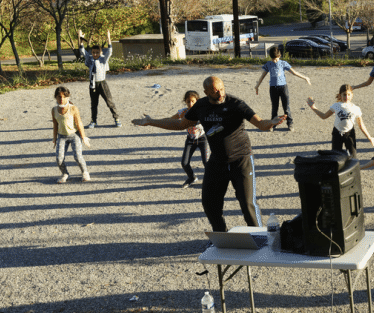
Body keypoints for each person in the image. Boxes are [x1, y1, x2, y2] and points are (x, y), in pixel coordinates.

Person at [132, 75, 285, 231]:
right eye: (214, 91)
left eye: (222, 89)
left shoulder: (236, 104)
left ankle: (259, 236)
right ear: (206, 92)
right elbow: (180, 124)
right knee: (209, 202)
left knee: (247, 204)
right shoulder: (200, 106)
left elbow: (259, 123)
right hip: (217, 161)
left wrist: (270, 123)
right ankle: (221, 234)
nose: (220, 94)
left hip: (241, 160)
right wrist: (152, 121)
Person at [306, 84, 374, 158]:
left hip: (350, 134)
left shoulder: (356, 109)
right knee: (336, 157)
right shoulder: (336, 105)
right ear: (340, 95)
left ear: (352, 95)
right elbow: (324, 116)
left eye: (348, 94)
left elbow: (361, 125)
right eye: (344, 94)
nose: (346, 97)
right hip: (337, 133)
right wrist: (313, 107)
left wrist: (369, 137)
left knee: (353, 157)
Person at [254, 45, 311, 131]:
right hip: (273, 88)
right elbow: (263, 76)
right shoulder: (268, 64)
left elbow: (294, 72)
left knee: (286, 107)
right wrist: (257, 86)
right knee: (274, 107)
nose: (274, 61)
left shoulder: (283, 63)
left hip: (283, 88)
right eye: (273, 59)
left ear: (279, 56)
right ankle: (272, 124)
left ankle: (290, 123)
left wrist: (305, 77)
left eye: (276, 59)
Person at [78, 29, 120, 128]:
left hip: (102, 83)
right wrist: (80, 38)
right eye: (93, 52)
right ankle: (94, 121)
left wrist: (108, 38)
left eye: (97, 52)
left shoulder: (103, 60)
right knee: (94, 104)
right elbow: (82, 51)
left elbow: (110, 51)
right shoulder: (90, 59)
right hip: (93, 84)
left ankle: (116, 118)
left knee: (109, 101)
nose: (95, 54)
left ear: (100, 52)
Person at [51, 85, 91, 183]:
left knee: (78, 156)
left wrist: (84, 137)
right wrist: (54, 138)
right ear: (55, 97)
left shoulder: (73, 108)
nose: (61, 99)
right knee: (59, 159)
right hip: (61, 136)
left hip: (74, 136)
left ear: (68, 97)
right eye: (59, 97)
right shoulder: (54, 110)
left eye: (64, 97)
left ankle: (85, 172)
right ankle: (65, 173)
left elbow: (79, 123)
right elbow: (55, 124)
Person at [171, 90, 208, 188]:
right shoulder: (183, 112)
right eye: (188, 102)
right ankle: (191, 177)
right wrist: (152, 121)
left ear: (197, 101)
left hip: (203, 139)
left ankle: (212, 180)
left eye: (193, 101)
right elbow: (171, 119)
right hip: (190, 139)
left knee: (207, 162)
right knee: (184, 163)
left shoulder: (203, 110)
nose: (190, 104)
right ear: (185, 101)